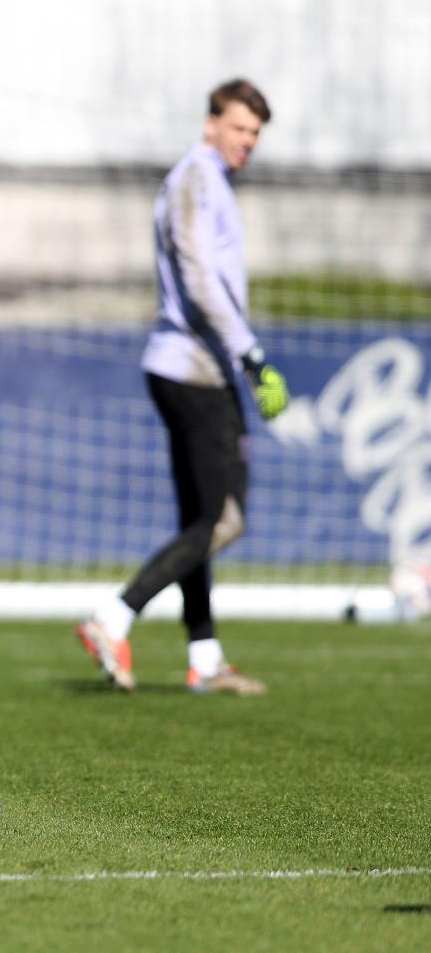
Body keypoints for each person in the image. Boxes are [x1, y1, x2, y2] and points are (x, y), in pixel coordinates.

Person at [76, 79, 289, 697]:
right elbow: (197, 277)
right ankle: (113, 618)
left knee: (201, 520)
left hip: (191, 367)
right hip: (194, 368)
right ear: (212, 121)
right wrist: (250, 353)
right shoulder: (196, 176)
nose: (247, 141)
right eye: (239, 127)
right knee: (226, 517)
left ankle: (204, 658)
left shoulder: (211, 179)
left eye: (255, 133)